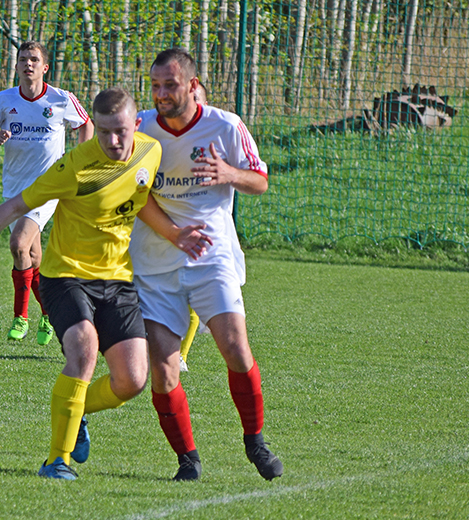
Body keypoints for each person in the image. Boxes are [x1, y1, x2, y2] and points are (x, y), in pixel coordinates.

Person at [0, 87, 211, 480]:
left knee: (132, 380)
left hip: (117, 279)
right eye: (103, 132)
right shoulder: (76, 167)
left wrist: (175, 234)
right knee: (83, 350)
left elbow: (143, 196)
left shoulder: (152, 150)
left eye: (120, 131)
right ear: (93, 129)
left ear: (136, 124)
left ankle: (76, 408)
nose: (113, 141)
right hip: (65, 275)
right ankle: (56, 460)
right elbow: (16, 206)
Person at [131, 48, 284, 481]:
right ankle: (188, 460)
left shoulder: (226, 125)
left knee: (236, 349)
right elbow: (134, 195)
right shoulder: (140, 129)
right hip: (155, 264)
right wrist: (174, 233)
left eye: (171, 85)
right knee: (162, 369)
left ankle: (255, 441)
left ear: (193, 85)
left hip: (211, 257)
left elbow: (260, 180)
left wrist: (227, 174)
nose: (161, 94)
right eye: (156, 86)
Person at [0, 41, 94, 345]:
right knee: (33, 255)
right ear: (16, 66)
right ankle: (51, 315)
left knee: (17, 244)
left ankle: (19, 317)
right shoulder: (4, 100)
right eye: (23, 59)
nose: (28, 64)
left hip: (49, 187)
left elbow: (86, 124)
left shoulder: (61, 99)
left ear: (44, 67)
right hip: (14, 187)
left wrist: (78, 160)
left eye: (34, 60)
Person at [178, 81, 208, 372]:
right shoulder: (162, 134)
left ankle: (181, 356)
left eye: (197, 100)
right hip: (162, 228)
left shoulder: (216, 135)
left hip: (198, 229)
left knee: (191, 296)